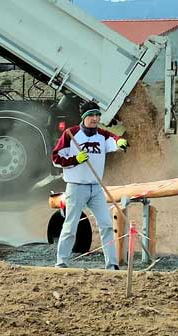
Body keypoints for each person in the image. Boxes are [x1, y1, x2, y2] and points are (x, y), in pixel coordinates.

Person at [52, 100, 128, 269]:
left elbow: (114, 140)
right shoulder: (70, 134)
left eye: (97, 115)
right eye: (91, 115)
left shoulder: (102, 135)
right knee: (71, 226)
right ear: (84, 117)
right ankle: (61, 262)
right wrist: (74, 160)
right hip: (76, 187)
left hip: (96, 188)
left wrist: (120, 142)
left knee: (107, 225)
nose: (95, 119)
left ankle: (112, 264)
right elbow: (55, 158)